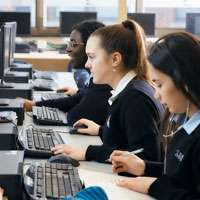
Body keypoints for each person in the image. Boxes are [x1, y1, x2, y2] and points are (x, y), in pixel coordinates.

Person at [51, 20, 164, 163]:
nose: (87, 64)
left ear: (115, 59)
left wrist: (88, 153)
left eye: (92, 57)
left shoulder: (135, 99)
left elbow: (143, 157)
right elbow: (127, 138)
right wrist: (100, 130)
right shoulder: (129, 89)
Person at [110, 32, 200, 200]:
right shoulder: (186, 120)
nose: (157, 95)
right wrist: (144, 167)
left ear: (184, 82)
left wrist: (154, 186)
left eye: (159, 85)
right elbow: (182, 177)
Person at [24, 20, 112, 126]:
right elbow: (77, 99)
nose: (68, 50)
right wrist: (34, 104)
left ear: (91, 47)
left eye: (74, 44)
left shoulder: (104, 81)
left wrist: (35, 105)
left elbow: (74, 116)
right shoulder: (96, 78)